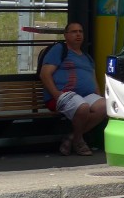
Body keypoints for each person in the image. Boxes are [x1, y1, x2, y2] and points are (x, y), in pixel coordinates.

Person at [39, 21, 106, 156]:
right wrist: (56, 94)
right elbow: (44, 74)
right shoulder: (59, 49)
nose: (78, 34)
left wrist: (99, 97)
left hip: (85, 95)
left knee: (106, 106)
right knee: (83, 107)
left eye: (80, 31)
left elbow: (93, 81)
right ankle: (79, 142)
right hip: (62, 94)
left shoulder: (87, 57)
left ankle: (73, 137)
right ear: (65, 35)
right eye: (74, 31)